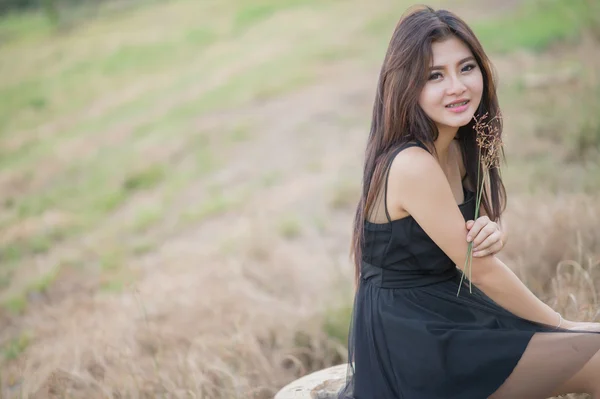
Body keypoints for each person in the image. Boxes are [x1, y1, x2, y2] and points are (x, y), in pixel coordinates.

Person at [337, 5, 600, 399]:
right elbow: (481, 271)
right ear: (406, 85)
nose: (457, 86)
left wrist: (494, 231)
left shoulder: (459, 146)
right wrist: (562, 324)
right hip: (415, 344)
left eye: (466, 68)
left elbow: (466, 242)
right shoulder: (412, 164)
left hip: (450, 316)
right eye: (435, 76)